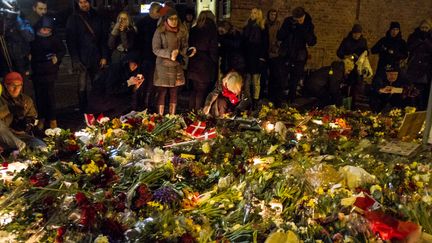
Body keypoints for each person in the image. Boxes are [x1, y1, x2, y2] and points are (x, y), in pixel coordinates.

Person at [66, 0, 109, 113]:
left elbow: (103, 38)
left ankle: (96, 106)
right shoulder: (73, 18)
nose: (83, 4)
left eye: (85, 1)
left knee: (97, 83)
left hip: (96, 56)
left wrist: (104, 56)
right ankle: (83, 109)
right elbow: (71, 41)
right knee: (82, 86)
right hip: (81, 58)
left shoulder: (97, 16)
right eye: (80, 2)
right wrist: (75, 59)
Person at [152, 8, 194, 115]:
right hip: (163, 66)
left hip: (176, 66)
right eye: (171, 19)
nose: (174, 21)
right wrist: (169, 54)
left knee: (174, 92)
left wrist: (188, 51)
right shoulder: (160, 31)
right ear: (166, 20)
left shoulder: (182, 31)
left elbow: (184, 46)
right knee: (162, 92)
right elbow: (155, 49)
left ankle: (172, 117)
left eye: (176, 18)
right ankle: (160, 118)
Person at [30, 16, 66, 129]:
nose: (46, 32)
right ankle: (41, 117)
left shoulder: (54, 38)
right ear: (40, 28)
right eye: (44, 29)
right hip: (37, 70)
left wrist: (56, 58)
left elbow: (62, 49)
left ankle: (52, 119)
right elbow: (29, 49)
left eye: (49, 30)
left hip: (49, 70)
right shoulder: (34, 38)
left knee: (50, 96)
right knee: (39, 96)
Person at [277, 7, 317, 103]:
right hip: (286, 54)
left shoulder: (308, 25)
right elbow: (280, 36)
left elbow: (312, 41)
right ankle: (279, 100)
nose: (298, 21)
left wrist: (302, 27)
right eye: (296, 19)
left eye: (300, 19)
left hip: (299, 56)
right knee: (282, 78)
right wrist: (289, 28)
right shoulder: (288, 21)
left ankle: (291, 100)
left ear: (304, 16)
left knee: (294, 80)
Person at [1, 72, 45, 151]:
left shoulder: (26, 100)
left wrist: (28, 123)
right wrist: (9, 108)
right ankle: (22, 147)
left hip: (20, 136)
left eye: (19, 85)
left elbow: (33, 117)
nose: (16, 89)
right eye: (13, 85)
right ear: (6, 85)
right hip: (4, 137)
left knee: (41, 146)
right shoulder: (1, 99)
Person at [187, 10, 218, 111]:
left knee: (194, 90)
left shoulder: (194, 29)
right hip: (205, 64)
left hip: (193, 62)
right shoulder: (211, 29)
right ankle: (198, 114)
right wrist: (215, 60)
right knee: (202, 91)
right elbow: (213, 48)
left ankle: (190, 112)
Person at [135, 2, 161, 111]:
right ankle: (143, 104)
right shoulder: (143, 23)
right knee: (145, 82)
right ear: (151, 11)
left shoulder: (159, 22)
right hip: (146, 57)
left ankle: (149, 104)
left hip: (155, 57)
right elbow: (139, 42)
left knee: (154, 82)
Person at [336, 24, 368, 108]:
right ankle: (343, 105)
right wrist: (347, 56)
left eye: (358, 34)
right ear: (352, 33)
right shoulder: (346, 41)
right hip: (348, 67)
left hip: (357, 68)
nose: (357, 35)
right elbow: (339, 52)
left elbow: (366, 52)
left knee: (355, 88)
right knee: (345, 87)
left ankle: (352, 106)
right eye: (355, 33)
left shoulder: (363, 41)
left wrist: (362, 56)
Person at [242, 8, 269, 107]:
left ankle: (255, 101)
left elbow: (265, 43)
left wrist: (262, 56)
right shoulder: (247, 25)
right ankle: (247, 99)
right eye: (251, 12)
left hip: (257, 56)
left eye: (255, 13)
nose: (252, 14)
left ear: (259, 14)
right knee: (247, 80)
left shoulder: (262, 27)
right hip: (248, 56)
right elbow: (244, 41)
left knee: (256, 80)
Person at [406, 19, 432, 110]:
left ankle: (421, 109)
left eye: (426, 28)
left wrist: (426, 41)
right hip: (414, 67)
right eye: (422, 27)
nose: (424, 29)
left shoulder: (430, 37)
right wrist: (419, 41)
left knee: (423, 92)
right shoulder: (414, 36)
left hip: (425, 70)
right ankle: (411, 108)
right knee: (411, 89)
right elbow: (409, 48)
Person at [265, 9, 281, 101]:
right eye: (271, 15)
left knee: (273, 75)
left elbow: (279, 37)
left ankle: (271, 95)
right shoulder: (264, 24)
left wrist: (276, 47)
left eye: (274, 15)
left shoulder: (278, 24)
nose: (273, 16)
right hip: (265, 52)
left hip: (274, 53)